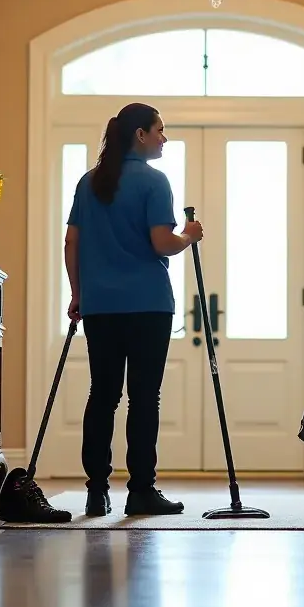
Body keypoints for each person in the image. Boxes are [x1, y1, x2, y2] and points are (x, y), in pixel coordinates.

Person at [64, 102, 203, 517]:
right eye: (160, 130)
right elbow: (162, 243)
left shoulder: (89, 182)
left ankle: (96, 489)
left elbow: (71, 243)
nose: (164, 138)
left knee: (102, 394)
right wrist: (189, 236)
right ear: (140, 134)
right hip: (147, 305)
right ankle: (141, 489)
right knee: (144, 397)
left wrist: (77, 294)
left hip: (101, 307)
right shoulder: (154, 182)